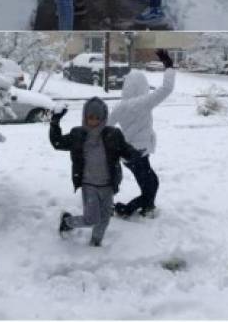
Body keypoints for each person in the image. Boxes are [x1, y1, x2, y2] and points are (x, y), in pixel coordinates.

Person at [49, 97, 140, 247]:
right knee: (91, 219)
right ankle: (67, 222)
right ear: (85, 117)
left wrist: (135, 154)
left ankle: (95, 243)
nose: (94, 121)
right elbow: (57, 142)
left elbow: (126, 149)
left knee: (104, 219)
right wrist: (55, 122)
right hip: (88, 185)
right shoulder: (78, 135)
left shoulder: (113, 134)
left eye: (98, 117)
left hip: (108, 185)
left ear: (103, 118)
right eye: (90, 117)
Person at [108, 49, 176, 217]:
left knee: (150, 184)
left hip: (129, 155)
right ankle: (126, 209)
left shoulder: (120, 106)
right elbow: (167, 88)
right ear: (142, 86)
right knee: (151, 185)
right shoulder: (142, 102)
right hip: (137, 153)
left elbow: (105, 127)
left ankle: (145, 208)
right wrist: (168, 65)